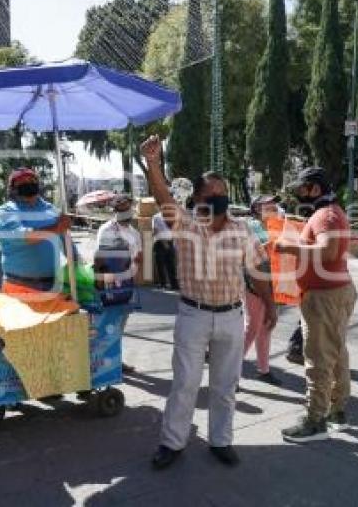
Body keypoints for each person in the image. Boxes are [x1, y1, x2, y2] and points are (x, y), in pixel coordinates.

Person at [140, 135, 277, 469]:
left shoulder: (242, 229)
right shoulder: (185, 224)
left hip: (231, 316)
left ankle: (221, 440)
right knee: (185, 383)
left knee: (225, 384)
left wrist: (270, 304)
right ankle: (172, 442)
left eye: (223, 193)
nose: (219, 198)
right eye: (211, 194)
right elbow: (161, 197)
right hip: (193, 315)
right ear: (198, 197)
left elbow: (258, 268)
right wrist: (154, 164)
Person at [275, 167, 357, 443]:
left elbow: (328, 251)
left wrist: (289, 248)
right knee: (336, 352)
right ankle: (337, 411)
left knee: (318, 358)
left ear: (314, 189)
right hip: (332, 292)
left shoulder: (326, 215)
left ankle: (315, 420)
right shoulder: (331, 213)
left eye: (301, 189)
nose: (298, 194)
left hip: (325, 297)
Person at [0, 167, 71, 299]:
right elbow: (24, 237)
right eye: (21, 181)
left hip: (53, 284)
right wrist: (56, 228)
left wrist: (75, 263)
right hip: (19, 286)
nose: (27, 182)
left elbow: (66, 240)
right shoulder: (6, 211)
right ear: (12, 187)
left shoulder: (51, 209)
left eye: (31, 179)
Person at [96, 194, 142, 372]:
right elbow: (100, 260)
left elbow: (137, 257)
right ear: (115, 211)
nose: (127, 212)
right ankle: (103, 363)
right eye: (122, 209)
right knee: (108, 323)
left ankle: (116, 360)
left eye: (128, 208)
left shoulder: (134, 232)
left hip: (127, 284)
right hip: (109, 284)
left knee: (121, 322)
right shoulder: (107, 230)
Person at [243, 194, 282, 386]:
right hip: (255, 283)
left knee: (267, 326)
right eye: (269, 205)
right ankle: (231, 370)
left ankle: (263, 369)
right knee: (252, 327)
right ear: (257, 208)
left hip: (274, 282)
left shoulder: (278, 225)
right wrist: (274, 244)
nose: (273, 207)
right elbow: (252, 254)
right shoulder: (250, 226)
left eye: (274, 205)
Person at [152, 203, 179, 290]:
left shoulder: (162, 216)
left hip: (165, 241)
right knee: (166, 264)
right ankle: (168, 284)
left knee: (166, 264)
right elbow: (157, 230)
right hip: (163, 242)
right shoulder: (158, 217)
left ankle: (168, 284)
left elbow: (157, 231)